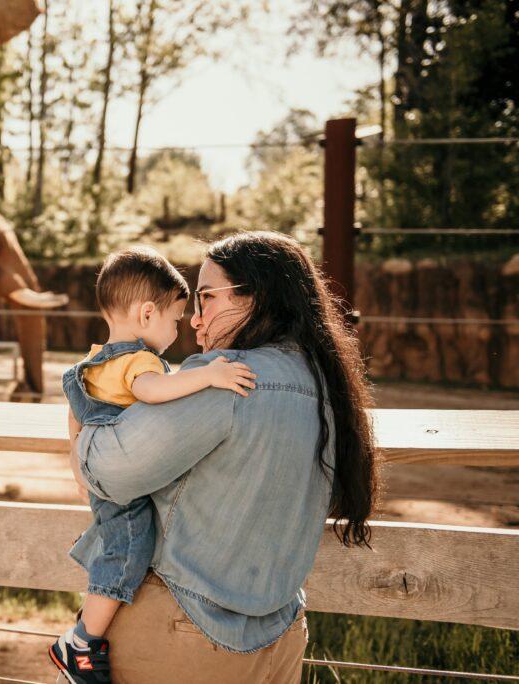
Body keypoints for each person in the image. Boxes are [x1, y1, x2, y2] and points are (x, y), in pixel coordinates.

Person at [69, 232, 378, 684]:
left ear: (257, 298)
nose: (195, 320)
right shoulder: (326, 385)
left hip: (184, 637)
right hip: (281, 638)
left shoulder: (227, 380)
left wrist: (82, 406)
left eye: (207, 298)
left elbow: (106, 472)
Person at [50, 246, 256, 684]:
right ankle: (82, 641)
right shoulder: (140, 362)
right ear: (146, 315)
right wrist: (208, 376)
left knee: (114, 545)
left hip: (104, 478)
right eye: (175, 320)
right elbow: (151, 393)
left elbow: (75, 413)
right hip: (125, 486)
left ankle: (88, 627)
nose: (180, 329)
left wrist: (77, 465)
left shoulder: (90, 364)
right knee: (128, 553)